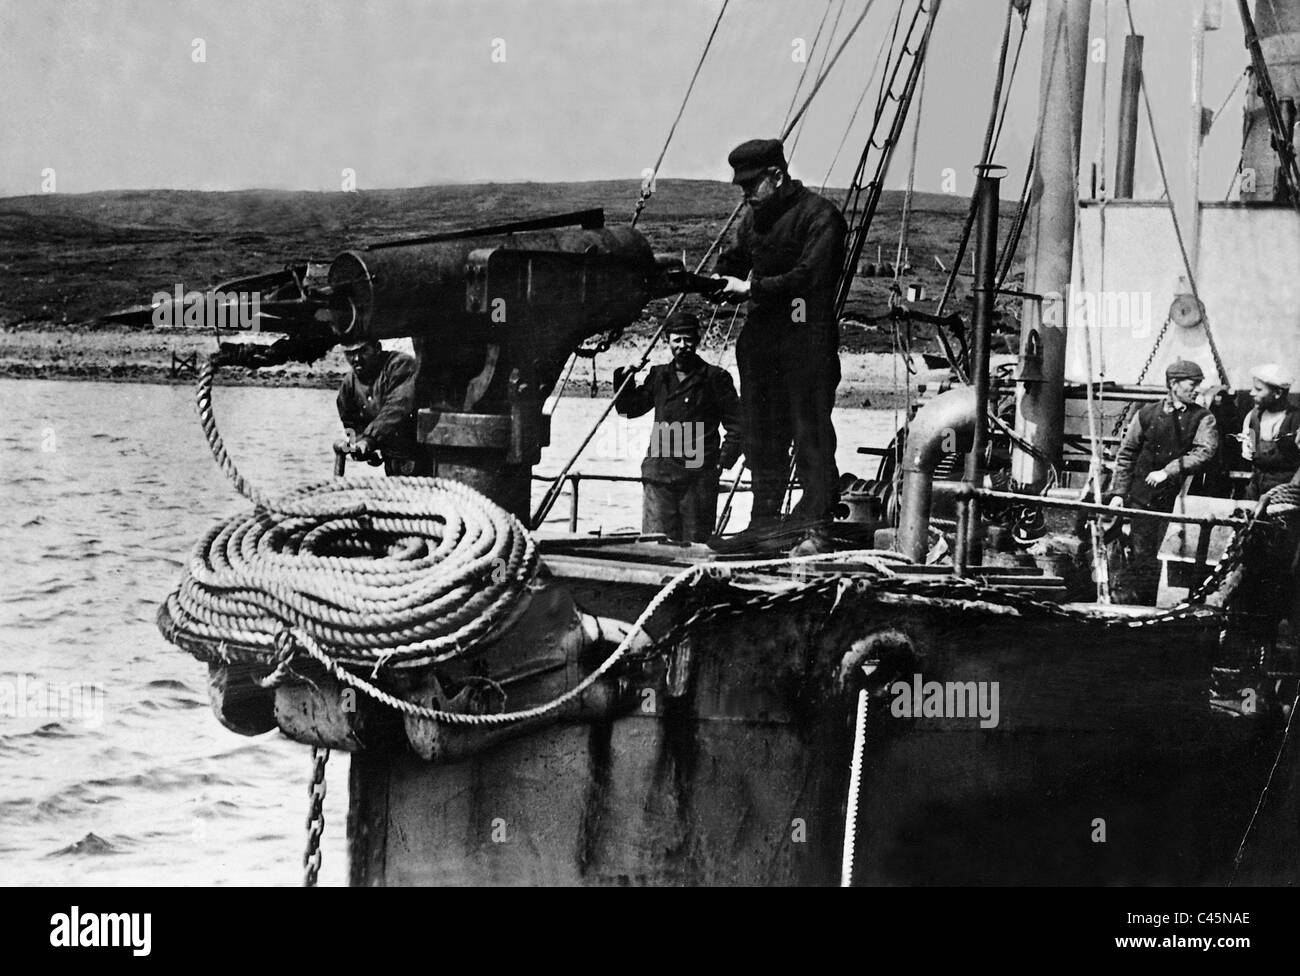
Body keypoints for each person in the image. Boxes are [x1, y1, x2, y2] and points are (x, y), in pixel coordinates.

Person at [708, 137, 848, 554]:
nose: (746, 195)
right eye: (741, 188)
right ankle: (763, 527)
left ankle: (817, 530)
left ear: (777, 175)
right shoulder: (753, 219)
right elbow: (731, 260)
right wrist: (717, 281)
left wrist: (750, 287)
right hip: (762, 346)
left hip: (806, 341)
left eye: (752, 185)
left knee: (811, 435)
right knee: (759, 437)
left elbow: (810, 279)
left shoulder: (820, 217)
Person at [613, 311, 743, 542]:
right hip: (659, 473)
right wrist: (626, 376)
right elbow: (628, 410)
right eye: (677, 340)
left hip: (698, 477)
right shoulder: (659, 375)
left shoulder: (715, 377)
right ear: (668, 341)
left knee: (694, 547)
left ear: (697, 340)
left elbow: (738, 425)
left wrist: (721, 461)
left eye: (688, 339)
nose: (683, 346)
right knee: (655, 547)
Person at [1107, 359, 1219, 604]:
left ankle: (1163, 612)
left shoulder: (1203, 418)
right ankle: (1138, 611)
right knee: (1141, 555)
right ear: (1174, 384)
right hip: (1142, 498)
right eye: (1193, 384)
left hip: (1177, 501)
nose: (1197, 389)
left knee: (1168, 556)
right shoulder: (1146, 414)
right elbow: (1127, 454)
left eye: (1199, 384)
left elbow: (1204, 452)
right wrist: (1118, 493)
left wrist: (1168, 471)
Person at [334, 338, 429, 476]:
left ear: (377, 348)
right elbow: (349, 420)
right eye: (349, 354)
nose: (356, 359)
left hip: (423, 455)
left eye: (363, 351)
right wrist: (359, 444)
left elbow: (397, 407)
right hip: (392, 459)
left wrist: (370, 439)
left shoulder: (400, 365)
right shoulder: (350, 384)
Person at [1238, 363, 1300, 498]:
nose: (1251, 393)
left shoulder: (1296, 420)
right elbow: (1251, 453)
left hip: (1286, 494)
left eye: (1258, 389)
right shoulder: (1252, 417)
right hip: (1255, 490)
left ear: (1278, 393)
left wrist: (1290, 491)